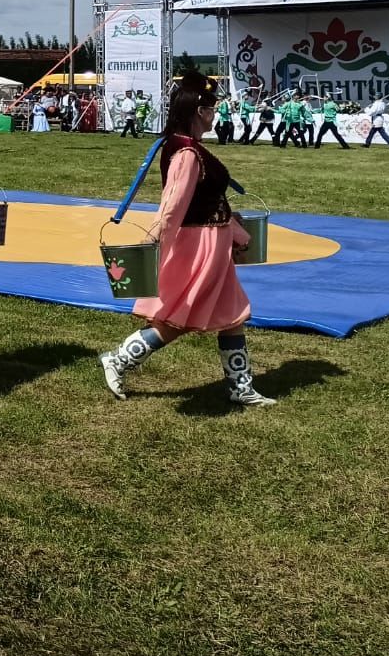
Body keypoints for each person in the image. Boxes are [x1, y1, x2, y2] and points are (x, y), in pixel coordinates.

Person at [98, 71, 274, 407]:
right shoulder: (187, 154)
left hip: (214, 242)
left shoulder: (192, 149)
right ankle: (118, 359)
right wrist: (154, 243)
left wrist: (235, 232)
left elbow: (209, 201)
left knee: (234, 315)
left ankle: (241, 387)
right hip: (199, 247)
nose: (215, 113)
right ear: (199, 111)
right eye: (211, 108)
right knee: (178, 319)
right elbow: (173, 207)